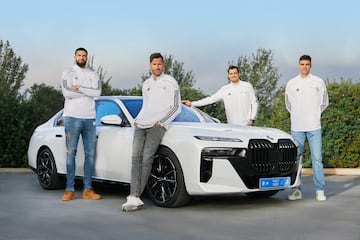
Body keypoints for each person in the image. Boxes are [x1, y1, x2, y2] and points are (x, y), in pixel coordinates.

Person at [121, 53, 181, 211]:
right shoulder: (146, 84)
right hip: (141, 124)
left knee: (147, 158)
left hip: (157, 125)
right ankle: (134, 196)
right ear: (150, 65)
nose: (157, 67)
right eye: (154, 64)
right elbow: (146, 105)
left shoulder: (171, 82)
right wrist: (136, 119)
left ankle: (135, 196)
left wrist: (161, 122)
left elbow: (176, 107)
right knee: (135, 158)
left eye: (160, 64)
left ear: (163, 65)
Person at [285, 54, 329, 201]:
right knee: (296, 159)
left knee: (317, 159)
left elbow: (324, 102)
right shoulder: (291, 83)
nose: (304, 67)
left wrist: (314, 116)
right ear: (299, 65)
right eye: (302, 64)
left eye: (307, 64)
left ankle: (320, 190)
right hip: (297, 127)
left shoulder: (318, 82)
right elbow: (288, 104)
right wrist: (298, 115)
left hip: (314, 127)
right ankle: (296, 190)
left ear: (311, 66)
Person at [61, 47, 102, 201]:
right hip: (72, 117)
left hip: (89, 118)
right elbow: (67, 93)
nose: (81, 57)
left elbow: (97, 93)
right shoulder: (68, 72)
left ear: (87, 57)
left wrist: (81, 88)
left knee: (90, 154)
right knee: (71, 153)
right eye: (79, 55)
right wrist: (88, 91)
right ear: (75, 57)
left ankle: (87, 189)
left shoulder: (93, 74)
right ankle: (69, 189)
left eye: (84, 55)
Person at [182, 65, 258, 126]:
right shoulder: (225, 89)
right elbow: (210, 99)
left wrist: (252, 118)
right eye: (231, 74)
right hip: (232, 125)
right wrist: (192, 104)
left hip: (246, 124)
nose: (233, 75)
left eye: (235, 73)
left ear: (239, 74)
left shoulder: (247, 86)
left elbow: (254, 103)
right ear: (228, 75)